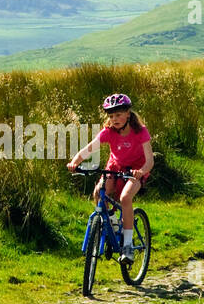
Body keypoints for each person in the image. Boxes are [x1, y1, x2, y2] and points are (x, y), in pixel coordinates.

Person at [66, 93, 154, 263]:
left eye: (119, 114)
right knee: (99, 192)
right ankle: (112, 223)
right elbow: (89, 148)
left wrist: (141, 171)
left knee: (125, 197)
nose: (115, 119)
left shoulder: (140, 131)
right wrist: (74, 162)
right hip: (115, 167)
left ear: (128, 114)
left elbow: (150, 160)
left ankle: (128, 246)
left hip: (137, 169)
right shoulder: (108, 132)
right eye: (111, 115)